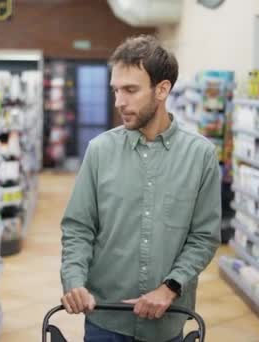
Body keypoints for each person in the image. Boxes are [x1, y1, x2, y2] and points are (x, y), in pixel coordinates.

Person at [59, 34, 221, 342]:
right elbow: (78, 228)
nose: (119, 101)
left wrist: (169, 287)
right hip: (105, 319)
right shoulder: (99, 151)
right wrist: (74, 280)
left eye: (131, 90)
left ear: (162, 90)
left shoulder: (200, 155)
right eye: (116, 90)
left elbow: (204, 237)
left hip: (167, 320)